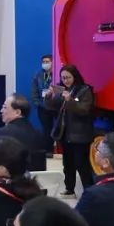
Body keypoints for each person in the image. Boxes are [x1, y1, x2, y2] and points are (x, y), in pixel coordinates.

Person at [44, 63, 95, 196]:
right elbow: (51, 106)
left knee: (82, 164)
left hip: (80, 135)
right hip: (65, 133)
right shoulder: (63, 90)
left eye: (68, 77)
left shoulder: (84, 90)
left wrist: (70, 100)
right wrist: (49, 96)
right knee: (68, 163)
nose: (65, 80)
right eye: (63, 78)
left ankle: (89, 191)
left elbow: (84, 109)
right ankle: (69, 188)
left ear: (75, 76)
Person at [0, 93, 46, 172]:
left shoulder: (3, 133)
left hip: (13, 178)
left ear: (17, 112)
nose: (1, 111)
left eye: (5, 107)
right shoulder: (38, 134)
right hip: (35, 179)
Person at [31, 53, 57, 153]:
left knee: (59, 128)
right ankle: (48, 151)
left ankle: (60, 149)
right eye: (43, 62)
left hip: (56, 106)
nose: (45, 63)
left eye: (47, 62)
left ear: (53, 62)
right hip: (43, 107)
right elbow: (34, 91)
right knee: (47, 129)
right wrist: (37, 103)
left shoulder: (57, 74)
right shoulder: (38, 75)